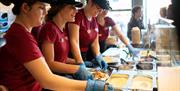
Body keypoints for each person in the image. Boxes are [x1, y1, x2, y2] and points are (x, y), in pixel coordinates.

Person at [0, 0, 113, 91]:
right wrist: (89, 86)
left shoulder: (24, 33)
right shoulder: (20, 36)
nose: (45, 12)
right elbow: (47, 80)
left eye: (46, 8)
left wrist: (80, 64)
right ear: (25, 8)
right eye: (41, 8)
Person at [38, 0, 92, 80]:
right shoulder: (49, 29)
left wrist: (79, 63)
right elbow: (49, 63)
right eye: (72, 7)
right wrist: (76, 69)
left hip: (63, 75)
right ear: (60, 8)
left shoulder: (63, 29)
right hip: (54, 79)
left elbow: (61, 58)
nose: (76, 11)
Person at [68, 0, 111, 70]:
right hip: (74, 56)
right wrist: (80, 62)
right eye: (98, 8)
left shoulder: (94, 19)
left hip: (86, 55)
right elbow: (74, 41)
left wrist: (98, 55)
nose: (100, 12)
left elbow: (95, 42)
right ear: (90, 2)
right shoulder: (77, 16)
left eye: (101, 9)